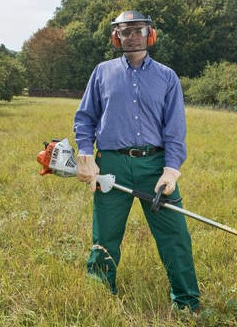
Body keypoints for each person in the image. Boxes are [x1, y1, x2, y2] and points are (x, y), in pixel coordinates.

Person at [73, 10, 200, 312]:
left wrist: (171, 170)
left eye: (137, 30)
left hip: (154, 167)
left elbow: (174, 130)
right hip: (111, 166)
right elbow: (85, 118)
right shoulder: (102, 72)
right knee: (105, 234)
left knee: (175, 235)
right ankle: (100, 299)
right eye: (124, 31)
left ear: (150, 35)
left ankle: (187, 303)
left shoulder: (167, 77)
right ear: (116, 37)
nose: (131, 36)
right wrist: (85, 154)